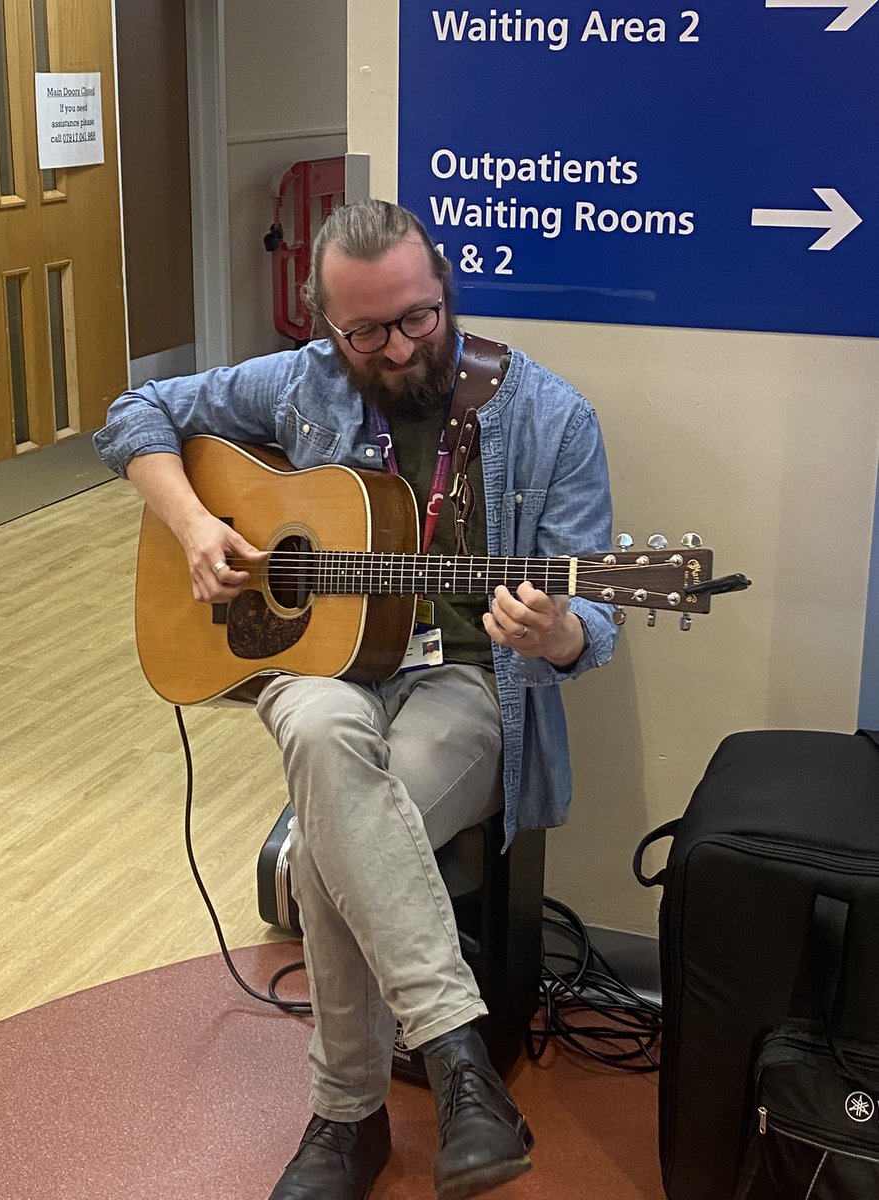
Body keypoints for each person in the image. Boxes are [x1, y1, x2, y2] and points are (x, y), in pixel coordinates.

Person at [94, 198, 618, 1200]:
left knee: (339, 830)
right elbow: (135, 413)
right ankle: (458, 1063)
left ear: (446, 290)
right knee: (327, 737)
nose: (397, 345)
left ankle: (346, 1117)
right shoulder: (304, 382)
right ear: (325, 327)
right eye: (364, 330)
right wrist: (197, 524)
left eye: (418, 317)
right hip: (322, 673)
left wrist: (559, 634)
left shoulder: (551, 417)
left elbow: (595, 619)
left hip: (467, 682)